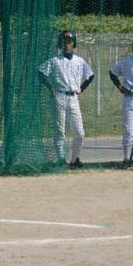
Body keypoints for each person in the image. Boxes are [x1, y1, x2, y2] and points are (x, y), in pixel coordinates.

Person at [39, 29, 94, 167]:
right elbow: (41, 72)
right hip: (60, 96)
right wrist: (50, 86)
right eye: (64, 41)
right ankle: (61, 160)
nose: (67, 44)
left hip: (73, 97)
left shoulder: (79, 61)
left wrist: (81, 89)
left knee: (79, 132)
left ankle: (75, 159)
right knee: (60, 130)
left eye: (69, 41)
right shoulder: (55, 60)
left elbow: (90, 76)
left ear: (74, 43)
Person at [110, 35, 133, 168]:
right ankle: (126, 158)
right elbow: (112, 72)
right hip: (130, 98)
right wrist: (120, 87)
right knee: (129, 130)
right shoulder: (127, 62)